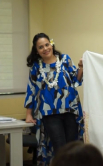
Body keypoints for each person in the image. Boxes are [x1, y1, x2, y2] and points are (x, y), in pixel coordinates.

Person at [24, 33, 84, 165]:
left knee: (72, 148)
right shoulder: (36, 67)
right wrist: (28, 114)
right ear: (36, 50)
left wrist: (81, 67)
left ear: (51, 44)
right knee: (60, 148)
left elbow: (76, 80)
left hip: (70, 110)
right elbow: (31, 90)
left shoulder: (64, 59)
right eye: (41, 47)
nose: (45, 48)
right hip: (49, 113)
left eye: (47, 44)